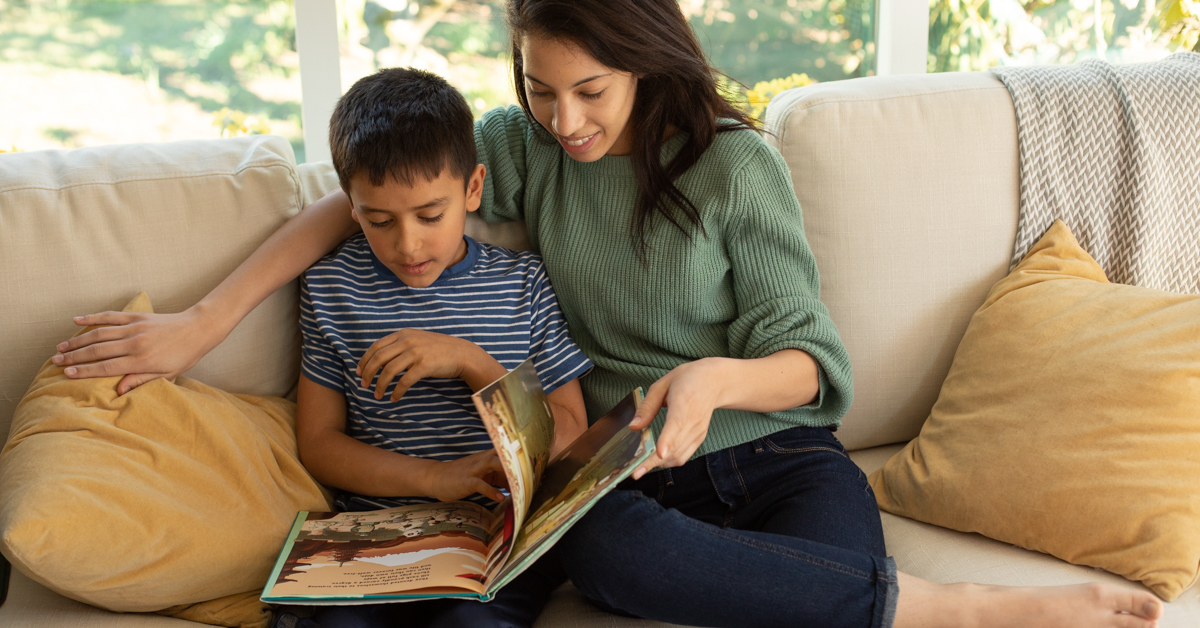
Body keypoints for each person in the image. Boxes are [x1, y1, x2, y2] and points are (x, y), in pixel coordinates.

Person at [53, 1, 1164, 627]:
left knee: (819, 610)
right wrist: (201, 322)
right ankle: (944, 608)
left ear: (642, 61)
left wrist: (716, 379)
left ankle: (950, 605)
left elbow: (814, 364)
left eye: (588, 91)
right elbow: (349, 212)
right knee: (615, 556)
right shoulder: (526, 151)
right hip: (628, 469)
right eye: (539, 88)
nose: (563, 119)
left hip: (776, 452)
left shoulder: (736, 167)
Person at [281, 67, 593, 627]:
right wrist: (434, 481)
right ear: (351, 207)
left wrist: (470, 361)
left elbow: (569, 432)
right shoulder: (332, 287)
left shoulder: (521, 284)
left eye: (430, 215)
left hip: (493, 540)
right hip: (375, 542)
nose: (408, 244)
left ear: (473, 189)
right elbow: (319, 442)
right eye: (378, 221)